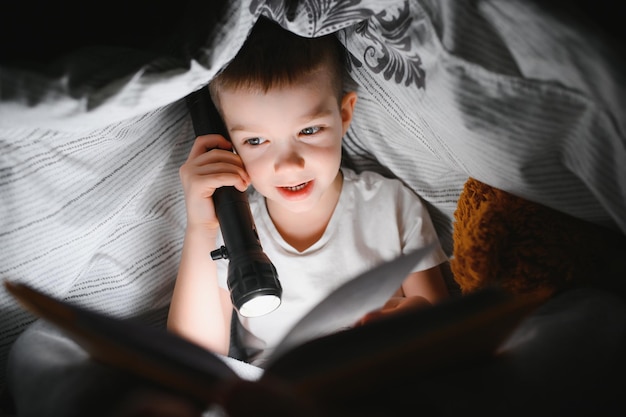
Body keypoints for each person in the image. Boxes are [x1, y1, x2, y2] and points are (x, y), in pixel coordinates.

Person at [167, 17, 450, 366]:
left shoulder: (391, 206)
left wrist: (409, 319)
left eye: (309, 130)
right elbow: (191, 358)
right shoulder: (231, 236)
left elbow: (444, 332)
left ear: (344, 116)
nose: (287, 165)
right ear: (228, 145)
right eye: (255, 141)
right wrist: (201, 227)